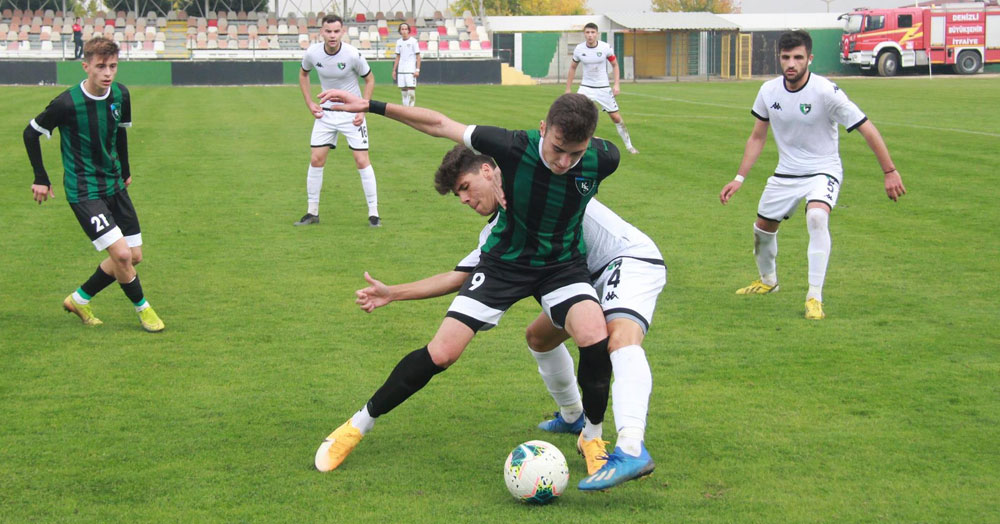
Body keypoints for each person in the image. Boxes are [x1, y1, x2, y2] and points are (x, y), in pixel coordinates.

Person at [311, 91, 620, 487]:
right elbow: (439, 124)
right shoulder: (510, 147)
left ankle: (592, 438)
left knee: (594, 335)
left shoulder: (604, 158)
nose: (564, 163)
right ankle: (355, 426)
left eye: (574, 154)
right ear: (543, 129)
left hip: (563, 267)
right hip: (503, 265)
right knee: (441, 353)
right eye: (557, 149)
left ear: (590, 144)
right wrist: (372, 106)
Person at [354, 145, 665, 490]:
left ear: (488, 171)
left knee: (617, 337)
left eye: (465, 187)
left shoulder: (533, 189)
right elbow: (461, 275)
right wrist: (393, 293)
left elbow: (570, 155)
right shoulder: (499, 229)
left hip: (625, 259)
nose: (463, 200)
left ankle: (626, 444)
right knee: (539, 338)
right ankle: (573, 416)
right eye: (458, 194)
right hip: (578, 277)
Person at [719, 30, 906, 320]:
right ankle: (768, 281)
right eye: (785, 57)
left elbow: (866, 127)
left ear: (810, 58)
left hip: (823, 169)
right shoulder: (768, 91)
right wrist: (739, 178)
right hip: (786, 172)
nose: (791, 63)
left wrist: (889, 171)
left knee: (817, 217)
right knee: (762, 228)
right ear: (779, 58)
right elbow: (757, 137)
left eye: (797, 57)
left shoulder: (826, 92)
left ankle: (814, 297)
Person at [23, 37, 165, 333]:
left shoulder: (121, 95)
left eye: (112, 66)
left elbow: (120, 134)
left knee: (134, 255)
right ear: (86, 66)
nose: (107, 73)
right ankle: (144, 309)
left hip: (114, 185)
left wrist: (125, 170)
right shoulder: (66, 103)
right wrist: (40, 177)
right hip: (83, 190)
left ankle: (79, 299)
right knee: (123, 255)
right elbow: (31, 132)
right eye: (100, 66)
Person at [295, 14, 380, 228]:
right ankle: (312, 212)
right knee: (316, 159)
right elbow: (303, 75)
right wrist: (309, 103)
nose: (332, 35)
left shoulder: (352, 54)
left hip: (352, 113)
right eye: (328, 31)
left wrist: (364, 107)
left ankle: (374, 214)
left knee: (362, 160)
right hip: (326, 113)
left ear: (342, 32)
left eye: (336, 31)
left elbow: (369, 79)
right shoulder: (313, 53)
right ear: (321, 32)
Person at [566, 22, 638, 155]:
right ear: (584, 34)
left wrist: (616, 84)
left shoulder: (605, 48)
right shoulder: (579, 49)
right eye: (587, 32)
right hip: (586, 87)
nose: (590, 35)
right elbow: (572, 68)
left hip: (603, 88)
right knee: (576, 115)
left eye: (593, 33)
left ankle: (629, 146)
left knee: (615, 117)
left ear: (597, 34)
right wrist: (568, 89)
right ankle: (574, 144)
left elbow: (615, 65)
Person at [392, 22, 421, 107]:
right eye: (402, 29)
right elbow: (397, 56)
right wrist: (394, 70)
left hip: (410, 70)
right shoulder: (398, 42)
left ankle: (411, 110)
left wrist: (417, 70)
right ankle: (405, 110)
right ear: (400, 31)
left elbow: (418, 56)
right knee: (404, 94)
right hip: (401, 70)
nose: (404, 31)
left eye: (405, 29)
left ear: (408, 31)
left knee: (411, 92)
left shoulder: (413, 41)